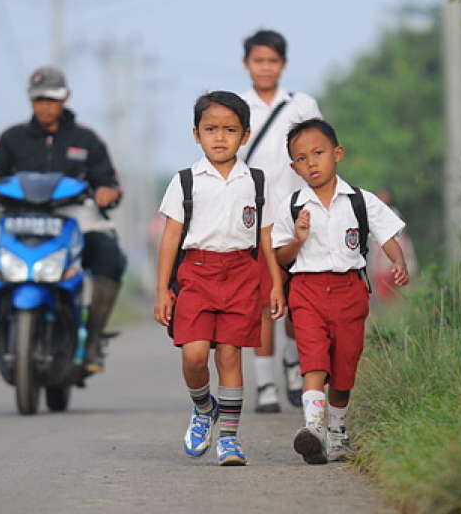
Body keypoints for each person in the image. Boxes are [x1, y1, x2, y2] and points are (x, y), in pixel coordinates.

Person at [0, 65, 126, 373]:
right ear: (30, 100)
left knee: (110, 255)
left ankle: (93, 340)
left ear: (66, 97)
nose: (45, 105)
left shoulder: (86, 140)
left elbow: (107, 180)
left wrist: (107, 191)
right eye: (39, 99)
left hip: (75, 220)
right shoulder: (12, 138)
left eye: (52, 98)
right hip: (20, 219)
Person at [154, 91, 286, 466]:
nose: (220, 137)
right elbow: (170, 239)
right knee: (195, 355)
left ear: (245, 136)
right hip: (196, 274)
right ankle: (202, 407)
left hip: (242, 275)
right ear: (196, 134)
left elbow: (265, 239)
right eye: (211, 129)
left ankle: (229, 438)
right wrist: (162, 289)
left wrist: (274, 283)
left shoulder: (257, 183)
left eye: (230, 130)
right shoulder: (185, 181)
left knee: (230, 354)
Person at [272, 119, 409, 464]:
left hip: (350, 290)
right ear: (293, 167)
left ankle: (337, 433)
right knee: (313, 359)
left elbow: (385, 234)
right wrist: (298, 239)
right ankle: (313, 428)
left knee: (345, 365)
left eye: (318, 153)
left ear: (337, 154)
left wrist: (399, 261)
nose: (311, 163)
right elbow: (279, 256)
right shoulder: (291, 206)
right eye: (301, 158)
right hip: (306, 291)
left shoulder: (361, 201)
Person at [239, 29, 324, 413]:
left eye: (272, 61)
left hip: (297, 213)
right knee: (262, 302)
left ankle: (293, 362)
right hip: (254, 217)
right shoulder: (235, 107)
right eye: (259, 61)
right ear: (247, 64)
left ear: (283, 65)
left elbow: (317, 154)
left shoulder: (301, 105)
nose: (265, 68)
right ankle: (266, 385)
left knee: (297, 297)